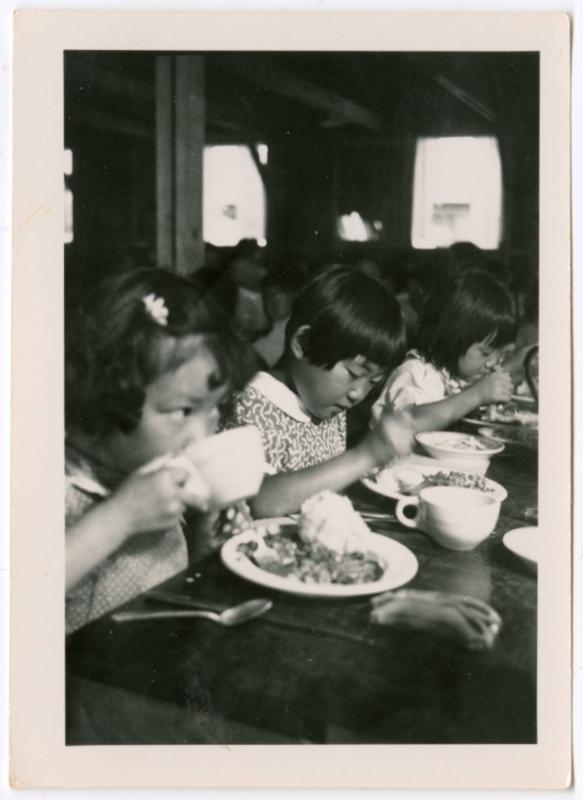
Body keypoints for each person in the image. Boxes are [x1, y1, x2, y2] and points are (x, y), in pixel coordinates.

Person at [65, 268, 254, 632]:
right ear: (108, 394)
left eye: (214, 408)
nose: (202, 435)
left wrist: (201, 546)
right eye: (184, 411)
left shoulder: (150, 468)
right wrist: (120, 518)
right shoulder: (55, 484)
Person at [224, 264, 415, 518]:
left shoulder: (325, 401)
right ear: (303, 343)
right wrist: (365, 456)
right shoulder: (252, 403)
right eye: (355, 374)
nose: (357, 394)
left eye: (373, 382)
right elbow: (255, 501)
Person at [372, 269, 516, 432]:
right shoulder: (417, 373)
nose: (492, 363)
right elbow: (409, 423)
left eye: (500, 353)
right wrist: (476, 395)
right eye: (485, 353)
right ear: (452, 338)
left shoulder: (453, 376)